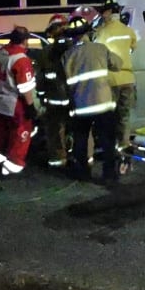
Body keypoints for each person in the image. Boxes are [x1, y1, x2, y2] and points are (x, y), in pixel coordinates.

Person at [62, 13, 122, 184]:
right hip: (103, 104)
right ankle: (109, 174)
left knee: (81, 140)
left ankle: (83, 173)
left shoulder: (67, 55)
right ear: (88, 32)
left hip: (81, 106)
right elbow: (118, 64)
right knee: (107, 140)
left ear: (72, 36)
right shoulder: (100, 49)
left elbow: (66, 82)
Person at [0, 26, 40, 176]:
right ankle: (13, 165)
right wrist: (30, 106)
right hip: (13, 102)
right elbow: (25, 87)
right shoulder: (21, 59)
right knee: (21, 131)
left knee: (0, 131)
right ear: (25, 40)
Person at [93, 0, 138, 151]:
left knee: (109, 116)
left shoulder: (102, 32)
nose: (102, 15)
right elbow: (133, 47)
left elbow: (97, 52)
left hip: (111, 79)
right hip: (128, 79)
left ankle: (110, 147)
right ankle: (124, 144)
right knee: (124, 115)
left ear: (110, 12)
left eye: (104, 12)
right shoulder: (128, 31)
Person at [35, 14, 73, 167]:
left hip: (54, 99)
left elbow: (41, 79)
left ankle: (58, 160)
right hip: (74, 97)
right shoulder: (75, 48)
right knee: (78, 129)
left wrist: (41, 97)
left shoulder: (46, 52)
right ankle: (78, 157)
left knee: (54, 130)